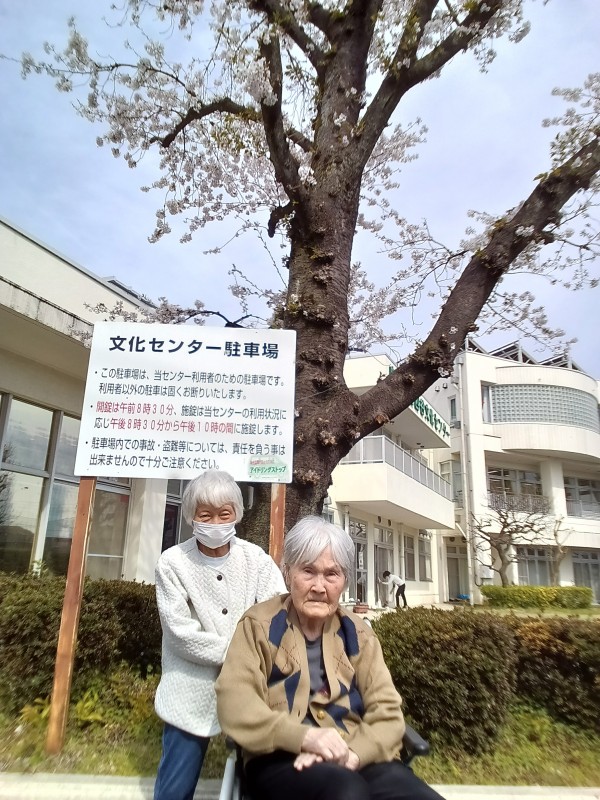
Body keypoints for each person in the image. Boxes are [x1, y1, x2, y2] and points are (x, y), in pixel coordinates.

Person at [216, 516, 445, 800]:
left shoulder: (358, 634)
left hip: (355, 753)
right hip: (281, 757)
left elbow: (387, 712)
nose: (319, 586)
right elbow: (235, 702)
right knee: (346, 791)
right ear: (287, 573)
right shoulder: (258, 625)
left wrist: (352, 756)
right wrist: (305, 738)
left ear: (344, 581)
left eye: (331, 574)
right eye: (308, 571)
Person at [153, 469, 286, 800]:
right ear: (191, 516)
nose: (215, 522)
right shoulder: (172, 563)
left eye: (223, 514)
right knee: (175, 786)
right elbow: (180, 633)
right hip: (189, 689)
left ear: (237, 514)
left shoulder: (255, 559)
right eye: (205, 515)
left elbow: (277, 614)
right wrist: (241, 653)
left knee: (260, 779)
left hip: (251, 687)